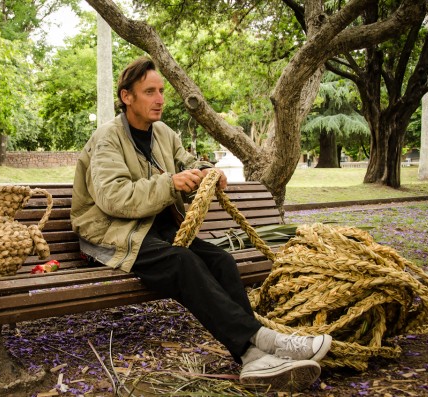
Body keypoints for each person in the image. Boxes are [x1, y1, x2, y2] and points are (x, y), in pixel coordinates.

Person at [71, 56, 332, 390]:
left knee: (221, 261)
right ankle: (262, 343)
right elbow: (113, 198)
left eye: (161, 90)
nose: (160, 98)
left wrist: (208, 171)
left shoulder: (163, 133)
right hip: (110, 233)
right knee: (183, 263)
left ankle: (252, 358)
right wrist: (171, 184)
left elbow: (190, 162)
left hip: (152, 228)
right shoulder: (107, 138)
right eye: (149, 91)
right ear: (127, 97)